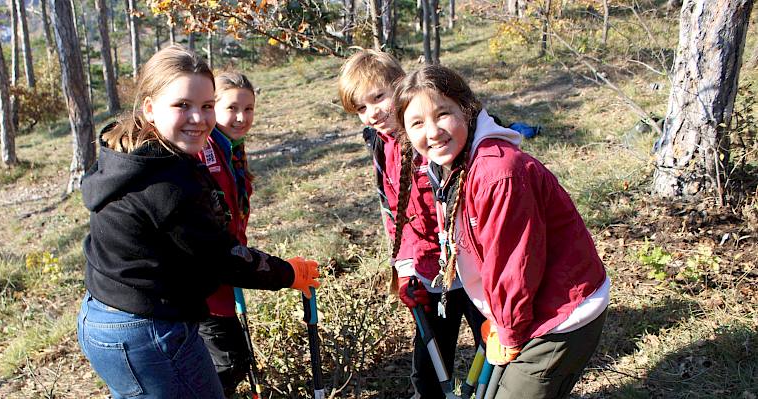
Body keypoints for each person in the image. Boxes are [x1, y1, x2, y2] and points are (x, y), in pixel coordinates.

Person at [76, 44, 320, 399]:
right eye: (182, 105)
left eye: (207, 106)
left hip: (102, 319)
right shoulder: (169, 184)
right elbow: (222, 258)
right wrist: (288, 274)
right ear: (150, 108)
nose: (199, 118)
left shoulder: (127, 155)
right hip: (148, 330)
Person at [393, 64, 610, 398]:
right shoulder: (449, 166)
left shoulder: (498, 174)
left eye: (443, 114)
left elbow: (514, 265)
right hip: (530, 311)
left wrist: (508, 331)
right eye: (417, 123)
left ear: (467, 109)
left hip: (561, 314)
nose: (433, 131)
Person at [338, 50, 485, 398]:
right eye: (361, 107)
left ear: (401, 89)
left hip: (472, 268)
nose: (372, 112)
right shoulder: (379, 144)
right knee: (430, 373)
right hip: (429, 274)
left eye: (378, 97)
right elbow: (395, 214)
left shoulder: (431, 137)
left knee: (492, 358)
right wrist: (406, 270)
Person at [197, 71, 258, 397]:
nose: (241, 117)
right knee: (230, 362)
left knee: (230, 360)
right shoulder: (205, 150)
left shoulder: (232, 148)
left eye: (248, 109)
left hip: (226, 273)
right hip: (206, 282)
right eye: (232, 108)